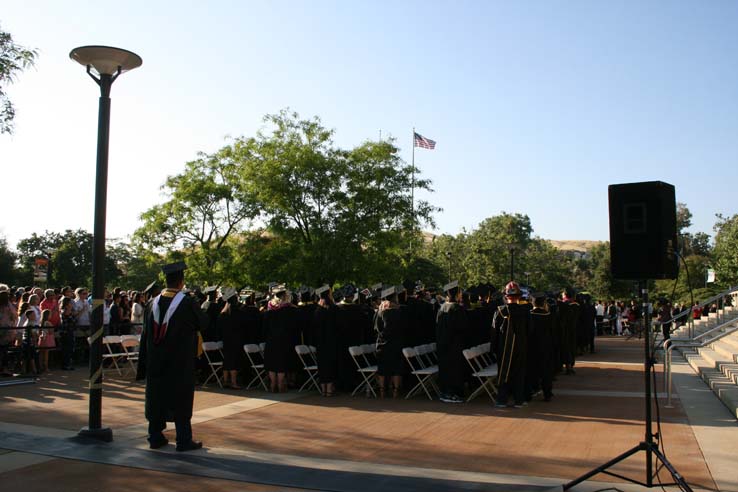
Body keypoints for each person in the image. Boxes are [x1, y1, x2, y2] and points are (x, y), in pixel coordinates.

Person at [136, 261, 204, 452]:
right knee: (180, 398)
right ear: (181, 282)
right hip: (179, 362)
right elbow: (203, 323)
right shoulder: (187, 303)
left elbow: (146, 334)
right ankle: (183, 439)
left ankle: (155, 436)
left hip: (156, 361)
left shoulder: (152, 303)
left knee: (156, 396)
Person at [492, 282, 529, 408]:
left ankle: (502, 399)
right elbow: (530, 330)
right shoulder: (525, 311)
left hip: (503, 347)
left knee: (503, 372)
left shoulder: (500, 311)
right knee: (519, 372)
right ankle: (519, 399)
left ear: (506, 296)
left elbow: (494, 332)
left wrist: (494, 348)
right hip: (521, 346)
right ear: (519, 296)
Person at [262, 285, 300, 393]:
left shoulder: (268, 312)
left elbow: (264, 329)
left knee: (272, 363)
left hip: (271, 341)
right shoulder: (289, 311)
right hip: (283, 341)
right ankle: (280, 383)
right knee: (281, 363)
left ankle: (273, 383)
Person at [435, 280, 468, 404]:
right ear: (457, 294)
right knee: (454, 369)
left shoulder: (442, 308)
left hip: (442, 344)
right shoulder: (457, 308)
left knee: (445, 368)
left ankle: (445, 392)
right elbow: (463, 327)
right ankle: (452, 393)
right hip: (454, 345)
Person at [374, 285, 407, 398]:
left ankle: (382, 391)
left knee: (382, 368)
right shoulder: (399, 311)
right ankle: (395, 391)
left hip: (383, 343)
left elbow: (377, 328)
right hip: (396, 343)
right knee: (396, 369)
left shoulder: (380, 311)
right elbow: (404, 327)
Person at [527, 293, 555, 402]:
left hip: (532, 346)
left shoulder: (529, 315)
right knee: (546, 371)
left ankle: (530, 392)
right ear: (543, 303)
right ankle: (547, 392)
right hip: (546, 346)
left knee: (531, 370)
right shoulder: (549, 315)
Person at [217, 287, 246, 389]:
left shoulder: (223, 314)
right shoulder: (239, 312)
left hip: (226, 339)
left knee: (227, 360)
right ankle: (233, 382)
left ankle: (225, 381)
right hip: (236, 339)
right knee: (234, 361)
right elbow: (243, 326)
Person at [314, 285, 338, 396]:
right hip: (331, 341)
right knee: (330, 364)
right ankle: (329, 389)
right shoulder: (333, 309)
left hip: (320, 342)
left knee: (322, 365)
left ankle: (323, 389)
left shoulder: (317, 310)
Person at [60, 297, 76, 370]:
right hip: (66, 332)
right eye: (70, 303)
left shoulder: (70, 311)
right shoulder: (66, 311)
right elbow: (70, 321)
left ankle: (69, 363)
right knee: (66, 349)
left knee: (70, 349)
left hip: (70, 331)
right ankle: (65, 364)